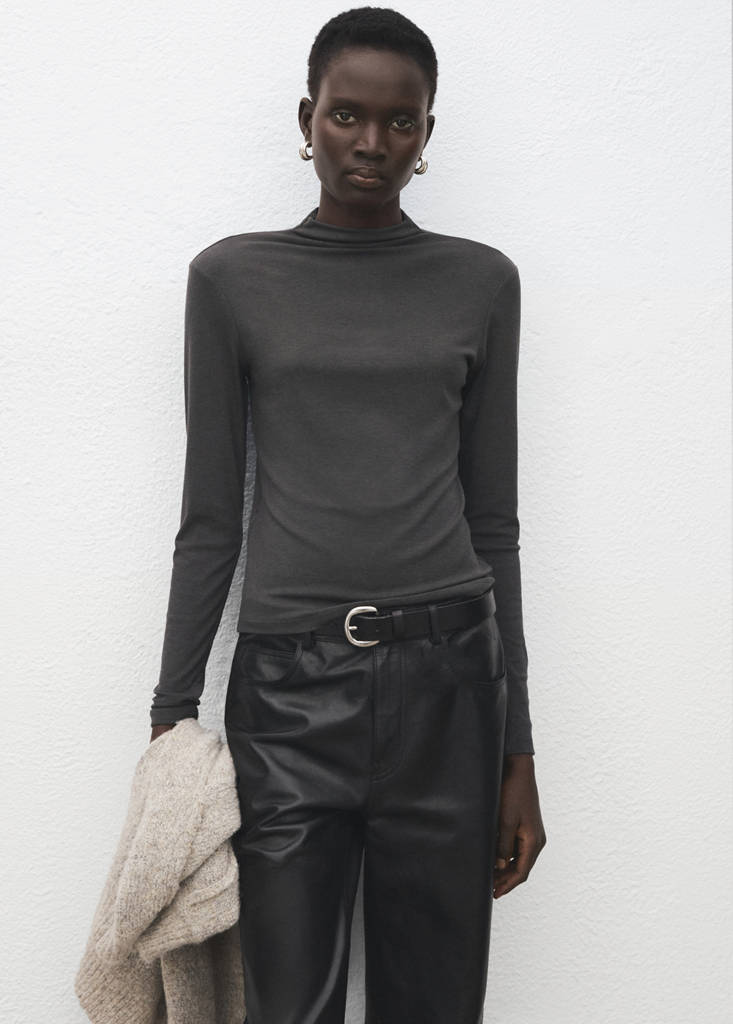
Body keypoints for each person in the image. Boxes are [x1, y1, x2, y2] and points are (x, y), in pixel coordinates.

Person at [149, 7, 546, 1022]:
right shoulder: (232, 279)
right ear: (307, 119)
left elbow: (493, 524)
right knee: (288, 1006)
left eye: (399, 121)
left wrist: (516, 750)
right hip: (287, 698)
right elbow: (210, 517)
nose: (371, 142)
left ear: (425, 134)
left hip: (450, 688)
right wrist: (170, 719)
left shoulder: (481, 283)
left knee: (434, 1006)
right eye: (346, 115)